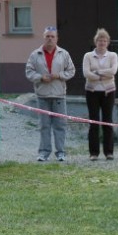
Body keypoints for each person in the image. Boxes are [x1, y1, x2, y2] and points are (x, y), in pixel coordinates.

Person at [25, 25, 76, 162]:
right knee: (44, 126)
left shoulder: (63, 54)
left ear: (57, 39)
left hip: (59, 95)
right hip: (42, 95)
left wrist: (59, 75)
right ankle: (43, 153)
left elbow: (71, 71)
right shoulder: (35, 55)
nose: (50, 39)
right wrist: (40, 78)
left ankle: (61, 152)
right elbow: (29, 72)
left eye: (52, 36)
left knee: (60, 125)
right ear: (44, 38)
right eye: (47, 36)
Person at [82, 28, 118, 160]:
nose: (102, 42)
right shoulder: (88, 56)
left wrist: (96, 72)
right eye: (99, 40)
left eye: (104, 40)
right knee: (94, 121)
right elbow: (86, 73)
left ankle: (109, 152)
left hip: (108, 91)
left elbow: (113, 71)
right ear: (95, 42)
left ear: (108, 42)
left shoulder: (113, 56)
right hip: (92, 91)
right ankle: (93, 153)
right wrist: (103, 74)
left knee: (108, 121)